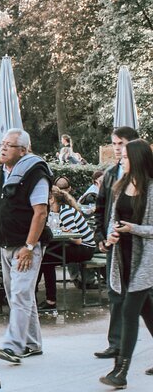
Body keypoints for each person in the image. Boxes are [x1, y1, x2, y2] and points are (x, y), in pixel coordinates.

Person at [0, 128, 52, 364]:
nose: (2, 148)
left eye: (9, 145)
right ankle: (32, 343)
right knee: (17, 296)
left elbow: (40, 212)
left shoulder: (35, 174)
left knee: (20, 293)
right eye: (2, 143)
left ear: (23, 150)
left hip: (26, 246)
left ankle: (13, 345)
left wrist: (30, 248)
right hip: (4, 244)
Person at [99, 138, 153, 388]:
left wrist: (134, 229)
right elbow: (113, 218)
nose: (121, 157)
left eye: (127, 156)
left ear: (139, 159)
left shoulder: (151, 189)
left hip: (146, 260)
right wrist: (111, 234)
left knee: (130, 310)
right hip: (123, 256)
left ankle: (120, 371)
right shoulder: (120, 185)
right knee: (146, 309)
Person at [93, 126, 139, 360]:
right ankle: (116, 344)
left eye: (121, 143)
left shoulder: (145, 174)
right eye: (114, 143)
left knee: (144, 298)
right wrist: (100, 237)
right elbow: (100, 208)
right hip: (115, 243)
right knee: (115, 293)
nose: (117, 148)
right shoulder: (110, 174)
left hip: (140, 244)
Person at [36, 186, 96, 311]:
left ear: (51, 199)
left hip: (85, 248)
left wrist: (63, 232)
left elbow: (77, 240)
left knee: (46, 259)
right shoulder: (55, 212)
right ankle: (37, 295)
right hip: (76, 245)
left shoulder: (65, 211)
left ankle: (50, 300)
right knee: (45, 256)